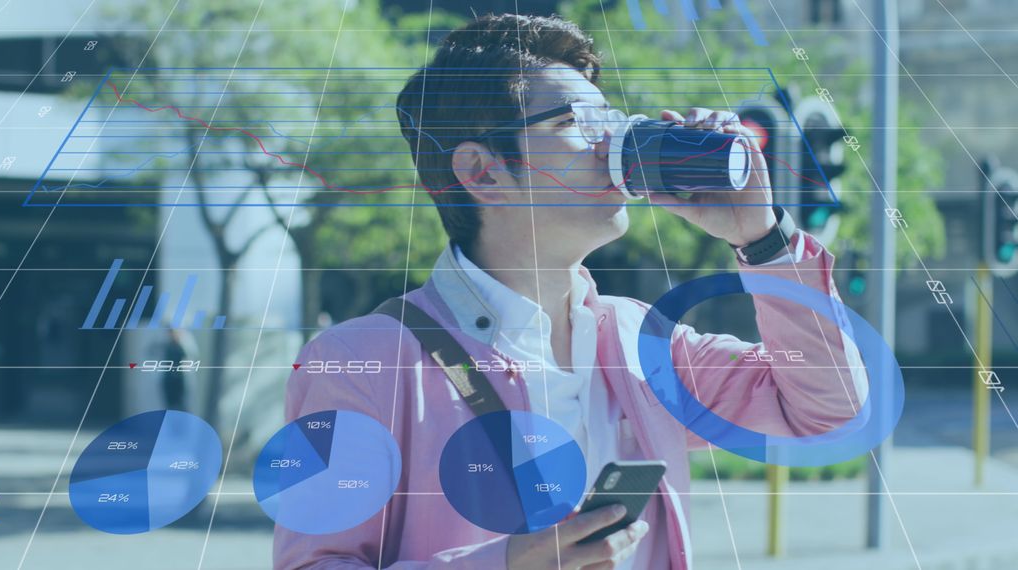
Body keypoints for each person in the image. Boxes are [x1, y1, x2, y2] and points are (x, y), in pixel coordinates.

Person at [275, 13, 866, 570]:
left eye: (610, 122)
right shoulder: (364, 363)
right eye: (577, 126)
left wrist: (763, 239)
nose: (611, 146)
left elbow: (828, 411)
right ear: (482, 171)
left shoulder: (641, 342)